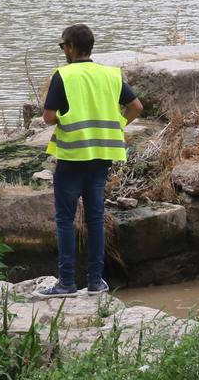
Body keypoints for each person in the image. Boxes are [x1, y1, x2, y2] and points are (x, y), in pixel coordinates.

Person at [37, 23, 142, 297]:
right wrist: (118, 125)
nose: (63, 51)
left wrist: (66, 121)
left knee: (65, 219)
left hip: (72, 156)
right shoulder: (110, 75)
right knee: (95, 219)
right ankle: (96, 282)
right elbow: (136, 107)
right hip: (102, 156)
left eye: (63, 46)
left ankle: (67, 283)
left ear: (70, 47)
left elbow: (48, 117)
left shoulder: (63, 75)